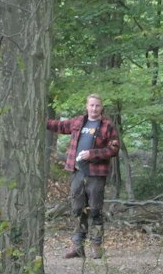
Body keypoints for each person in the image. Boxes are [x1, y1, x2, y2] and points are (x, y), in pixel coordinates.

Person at [47, 94, 120, 259]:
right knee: (77, 210)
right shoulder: (78, 122)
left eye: (97, 106)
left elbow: (114, 149)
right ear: (87, 106)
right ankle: (78, 246)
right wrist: (40, 120)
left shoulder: (107, 125)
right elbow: (58, 125)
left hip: (96, 174)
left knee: (95, 210)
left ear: (102, 108)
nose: (94, 109)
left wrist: (93, 154)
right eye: (91, 105)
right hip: (77, 172)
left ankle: (96, 246)